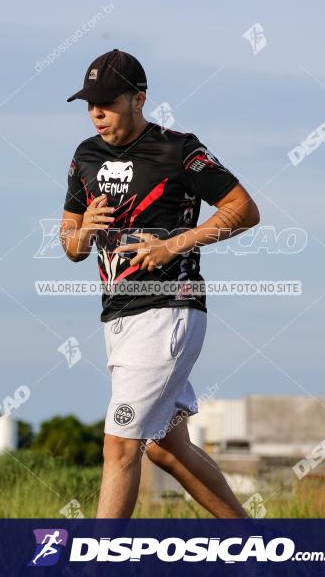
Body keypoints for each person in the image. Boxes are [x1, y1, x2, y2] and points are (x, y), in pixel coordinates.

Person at [60, 49, 260, 518]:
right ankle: (258, 547)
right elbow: (70, 244)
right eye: (90, 103)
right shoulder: (84, 157)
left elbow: (243, 210)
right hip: (118, 317)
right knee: (166, 449)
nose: (96, 112)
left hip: (170, 310)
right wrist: (84, 230)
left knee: (120, 446)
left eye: (107, 102)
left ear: (138, 99)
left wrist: (175, 245)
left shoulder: (179, 149)